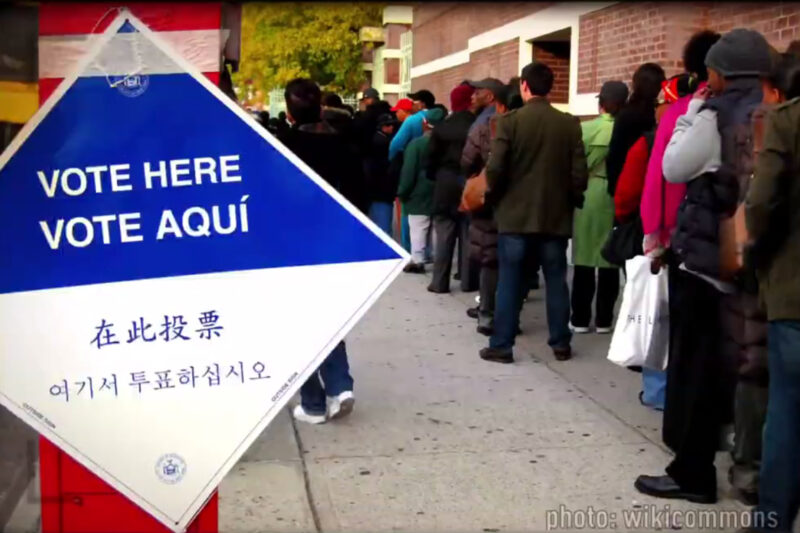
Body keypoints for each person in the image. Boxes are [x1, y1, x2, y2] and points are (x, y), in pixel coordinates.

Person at [634, 28, 771, 504]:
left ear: (720, 73)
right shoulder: (778, 110)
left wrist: (693, 110)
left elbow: (674, 166)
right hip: (758, 262)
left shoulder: (715, 113)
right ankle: (750, 467)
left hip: (709, 260)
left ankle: (691, 473)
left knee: (697, 369)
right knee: (746, 368)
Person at [479, 62, 588, 364]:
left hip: (514, 216)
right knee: (556, 280)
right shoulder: (568, 123)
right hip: (555, 217)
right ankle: (560, 343)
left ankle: (502, 344)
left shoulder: (510, 122)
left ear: (524, 86)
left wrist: (493, 197)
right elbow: (579, 173)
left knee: (510, 281)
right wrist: (572, 199)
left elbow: (496, 168)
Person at [276, 78, 365, 424]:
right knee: (329, 312)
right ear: (321, 107)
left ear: (288, 110)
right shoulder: (342, 144)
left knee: (300, 321)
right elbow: (359, 195)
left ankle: (314, 403)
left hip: (292, 244)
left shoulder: (281, 145)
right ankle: (340, 384)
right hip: (334, 241)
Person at [746, 56, 800, 533]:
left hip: (795, 287)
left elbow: (761, 202)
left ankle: (774, 519)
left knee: (786, 409)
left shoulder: (787, 122)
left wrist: (752, 248)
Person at [570, 80, 629, 335]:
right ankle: (604, 319)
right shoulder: (628, 130)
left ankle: (581, 318)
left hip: (589, 191)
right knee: (609, 259)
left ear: (601, 103)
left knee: (583, 257)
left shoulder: (585, 129)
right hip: (615, 193)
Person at [461, 83, 511, 334]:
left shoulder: (484, 127)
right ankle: (510, 315)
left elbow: (467, 162)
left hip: (489, 202)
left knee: (490, 260)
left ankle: (487, 313)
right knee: (514, 261)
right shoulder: (530, 127)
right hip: (519, 203)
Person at [427, 83, 476, 294]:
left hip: (445, 182)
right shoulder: (477, 125)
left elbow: (429, 160)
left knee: (444, 234)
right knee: (468, 232)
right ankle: (468, 281)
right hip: (469, 182)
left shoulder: (442, 127)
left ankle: (439, 282)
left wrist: (435, 177)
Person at [397, 108, 446, 273]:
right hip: (441, 190)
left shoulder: (416, 145)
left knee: (418, 227)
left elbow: (408, 172)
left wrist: (403, 191)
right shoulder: (448, 145)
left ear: (425, 123)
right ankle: (437, 258)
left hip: (418, 193)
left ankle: (418, 260)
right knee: (437, 228)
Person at [606, 63, 665, 197]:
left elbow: (615, 155)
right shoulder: (662, 114)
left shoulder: (626, 114)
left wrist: (614, 189)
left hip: (627, 185)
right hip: (654, 185)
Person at [363, 113, 399, 237]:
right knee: (384, 224)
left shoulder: (375, 139)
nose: (391, 127)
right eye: (388, 125)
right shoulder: (384, 143)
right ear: (382, 126)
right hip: (382, 188)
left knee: (377, 220)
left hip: (375, 188)